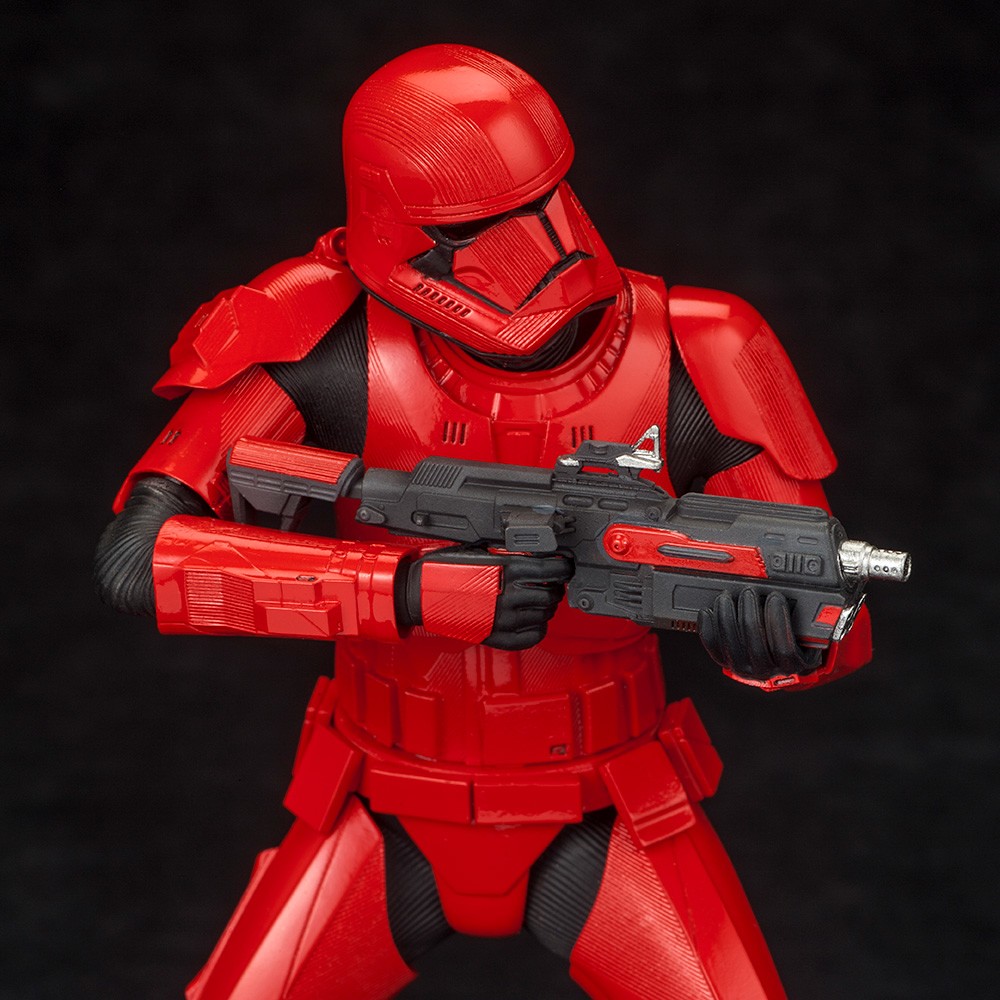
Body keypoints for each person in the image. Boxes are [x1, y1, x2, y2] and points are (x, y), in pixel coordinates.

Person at [96, 43, 872, 999]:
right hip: (378, 801)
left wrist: (779, 648)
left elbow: (831, 607)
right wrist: (407, 591)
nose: (541, 253)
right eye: (475, 229)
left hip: (611, 801)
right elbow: (139, 555)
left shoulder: (705, 349)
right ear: (395, 228)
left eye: (544, 202)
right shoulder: (315, 332)